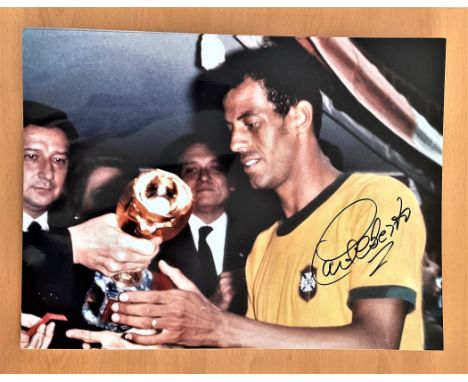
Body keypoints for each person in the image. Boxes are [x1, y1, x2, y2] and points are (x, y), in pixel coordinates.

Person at [104, 44, 427, 350]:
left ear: (299, 117)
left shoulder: (377, 200)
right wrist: (160, 352)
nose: (234, 144)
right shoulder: (262, 248)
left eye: (251, 123)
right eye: (231, 127)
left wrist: (219, 326)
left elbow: (378, 343)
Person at [22, 100, 160, 348]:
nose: (47, 173)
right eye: (31, 156)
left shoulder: (102, 254)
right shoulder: (83, 242)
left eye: (58, 160)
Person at [154, 134, 256, 314]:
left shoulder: (259, 239)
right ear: (178, 185)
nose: (203, 178)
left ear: (231, 182)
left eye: (215, 168)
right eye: (191, 170)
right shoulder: (155, 243)